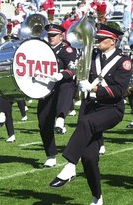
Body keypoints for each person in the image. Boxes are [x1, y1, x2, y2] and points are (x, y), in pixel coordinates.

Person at [49, 23, 132, 205]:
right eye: (98, 38)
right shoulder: (92, 55)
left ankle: (70, 166)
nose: (98, 42)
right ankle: (97, 197)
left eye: (102, 39)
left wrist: (93, 87)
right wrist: (71, 73)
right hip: (90, 106)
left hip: (111, 109)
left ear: (113, 42)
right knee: (88, 158)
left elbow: (119, 90)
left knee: (86, 124)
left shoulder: (124, 61)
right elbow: (78, 71)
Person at [37, 24, 77, 168]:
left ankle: (60, 118)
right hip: (46, 87)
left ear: (61, 36)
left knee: (66, 88)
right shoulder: (42, 49)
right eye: (49, 35)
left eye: (54, 35)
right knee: (43, 120)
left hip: (62, 84)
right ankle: (51, 154)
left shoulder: (67, 50)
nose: (51, 37)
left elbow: (73, 68)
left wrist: (62, 74)